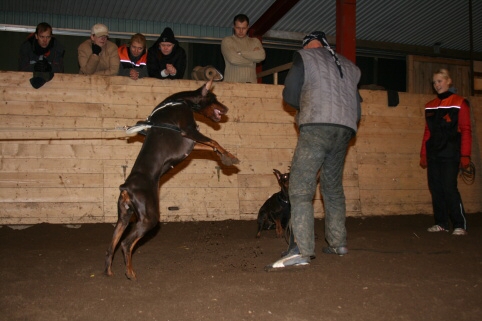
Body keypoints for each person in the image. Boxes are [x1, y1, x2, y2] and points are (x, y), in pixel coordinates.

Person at [267, 31, 361, 269]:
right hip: (345, 129)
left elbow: (289, 95)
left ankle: (301, 248)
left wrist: (308, 102)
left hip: (317, 125)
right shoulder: (350, 67)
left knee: (300, 188)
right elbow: (357, 108)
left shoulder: (305, 57)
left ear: (308, 44)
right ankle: (338, 243)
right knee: (332, 188)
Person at [419, 69, 472, 236]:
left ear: (449, 81)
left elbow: (465, 129)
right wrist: (423, 153)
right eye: (434, 82)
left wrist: (465, 154)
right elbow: (428, 131)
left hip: (451, 153)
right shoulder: (430, 106)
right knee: (435, 188)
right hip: (434, 153)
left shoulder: (460, 102)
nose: (436, 85)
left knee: (449, 188)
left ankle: (459, 224)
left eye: (439, 81)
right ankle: (441, 223)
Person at [221, 14, 265, 83]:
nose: (241, 31)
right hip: (231, 86)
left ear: (248, 27)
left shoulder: (255, 41)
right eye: (238, 28)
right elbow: (233, 59)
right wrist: (252, 60)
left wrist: (240, 53)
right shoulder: (227, 41)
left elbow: (261, 56)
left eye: (244, 28)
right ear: (234, 27)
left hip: (251, 87)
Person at [19, 22, 65, 89]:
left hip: (52, 88)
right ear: (36, 36)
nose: (45, 40)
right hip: (27, 87)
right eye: (42, 37)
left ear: (51, 37)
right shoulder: (27, 47)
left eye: (48, 37)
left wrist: (49, 67)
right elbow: (21, 69)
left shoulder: (57, 48)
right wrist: (35, 67)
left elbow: (60, 70)